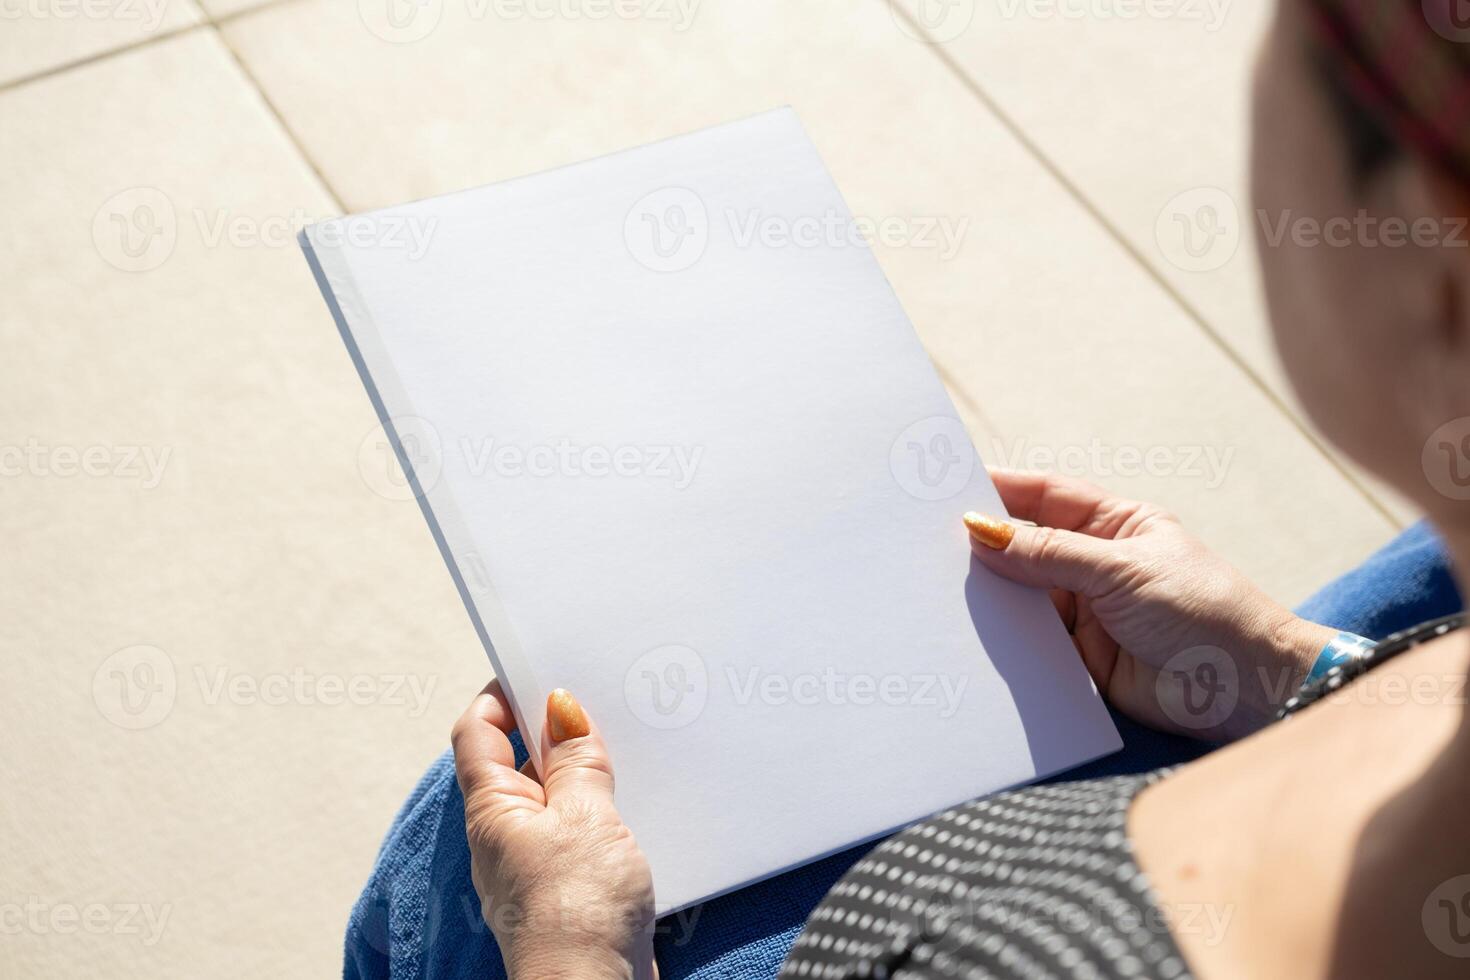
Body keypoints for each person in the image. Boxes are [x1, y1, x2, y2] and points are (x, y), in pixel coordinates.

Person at [346, 0, 1470, 976]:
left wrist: (569, 953)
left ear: (1441, 275)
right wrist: (1283, 666)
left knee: (484, 826)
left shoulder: (1011, 948)